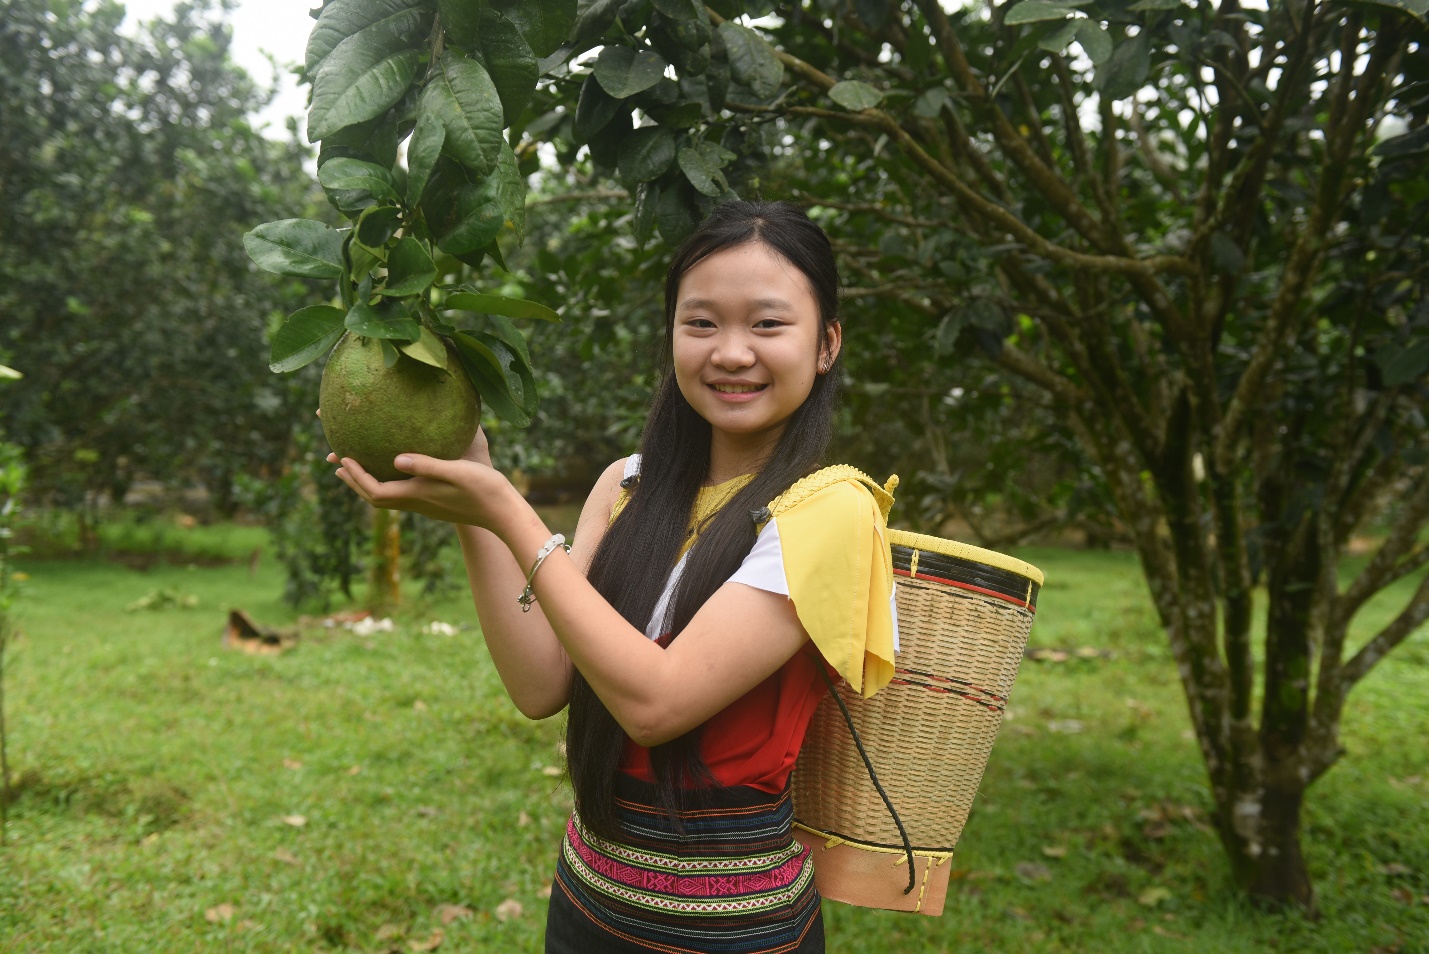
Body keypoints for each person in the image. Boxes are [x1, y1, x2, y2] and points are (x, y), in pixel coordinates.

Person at [329, 200, 898, 953]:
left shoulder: (832, 511)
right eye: (700, 323)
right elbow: (541, 685)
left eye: (766, 325)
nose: (730, 352)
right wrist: (472, 478)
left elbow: (655, 704)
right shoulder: (627, 485)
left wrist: (509, 513)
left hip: (730, 934)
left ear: (825, 344)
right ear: (670, 336)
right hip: (587, 904)